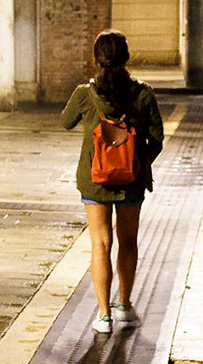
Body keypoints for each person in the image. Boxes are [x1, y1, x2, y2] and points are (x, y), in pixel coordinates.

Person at [60, 29, 165, 333]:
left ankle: (104, 316)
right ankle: (126, 306)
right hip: (131, 183)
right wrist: (136, 163)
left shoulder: (85, 94)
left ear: (96, 58)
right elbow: (156, 139)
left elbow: (65, 122)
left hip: (95, 182)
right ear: (126, 57)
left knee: (100, 243)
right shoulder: (143, 93)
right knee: (128, 242)